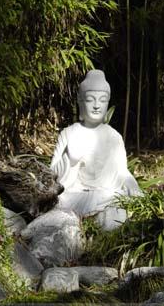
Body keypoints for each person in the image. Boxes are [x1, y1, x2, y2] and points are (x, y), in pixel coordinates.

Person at [50, 69, 141, 230]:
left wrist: (131, 184)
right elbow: (53, 179)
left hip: (107, 195)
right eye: (91, 100)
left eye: (102, 100)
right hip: (75, 196)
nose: (97, 106)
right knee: (58, 203)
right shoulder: (69, 133)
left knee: (116, 205)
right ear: (80, 101)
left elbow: (121, 172)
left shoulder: (114, 137)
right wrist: (69, 159)